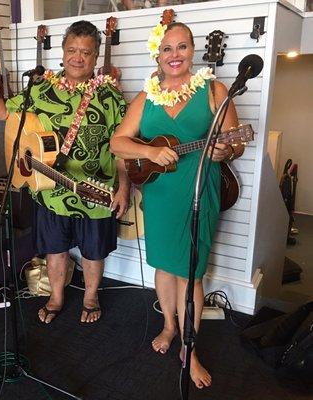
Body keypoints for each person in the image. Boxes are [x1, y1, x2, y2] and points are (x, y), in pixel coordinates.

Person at [0, 20, 130, 325]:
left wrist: (124, 186)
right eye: (72, 50)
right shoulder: (40, 88)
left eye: (86, 53)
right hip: (50, 190)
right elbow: (5, 112)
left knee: (93, 252)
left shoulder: (111, 97)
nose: (78, 57)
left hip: (97, 190)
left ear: (95, 56)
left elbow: (123, 147)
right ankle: (57, 296)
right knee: (55, 249)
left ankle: (90, 297)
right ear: (63, 53)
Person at [111, 22, 244, 389]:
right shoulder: (146, 96)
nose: (174, 55)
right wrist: (150, 151)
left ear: (192, 51)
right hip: (160, 193)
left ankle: (190, 348)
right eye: (167, 49)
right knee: (165, 266)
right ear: (158, 54)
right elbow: (117, 143)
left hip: (199, 190)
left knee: (191, 272)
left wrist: (227, 149)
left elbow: (237, 143)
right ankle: (169, 326)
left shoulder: (214, 90)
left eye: (182, 47)